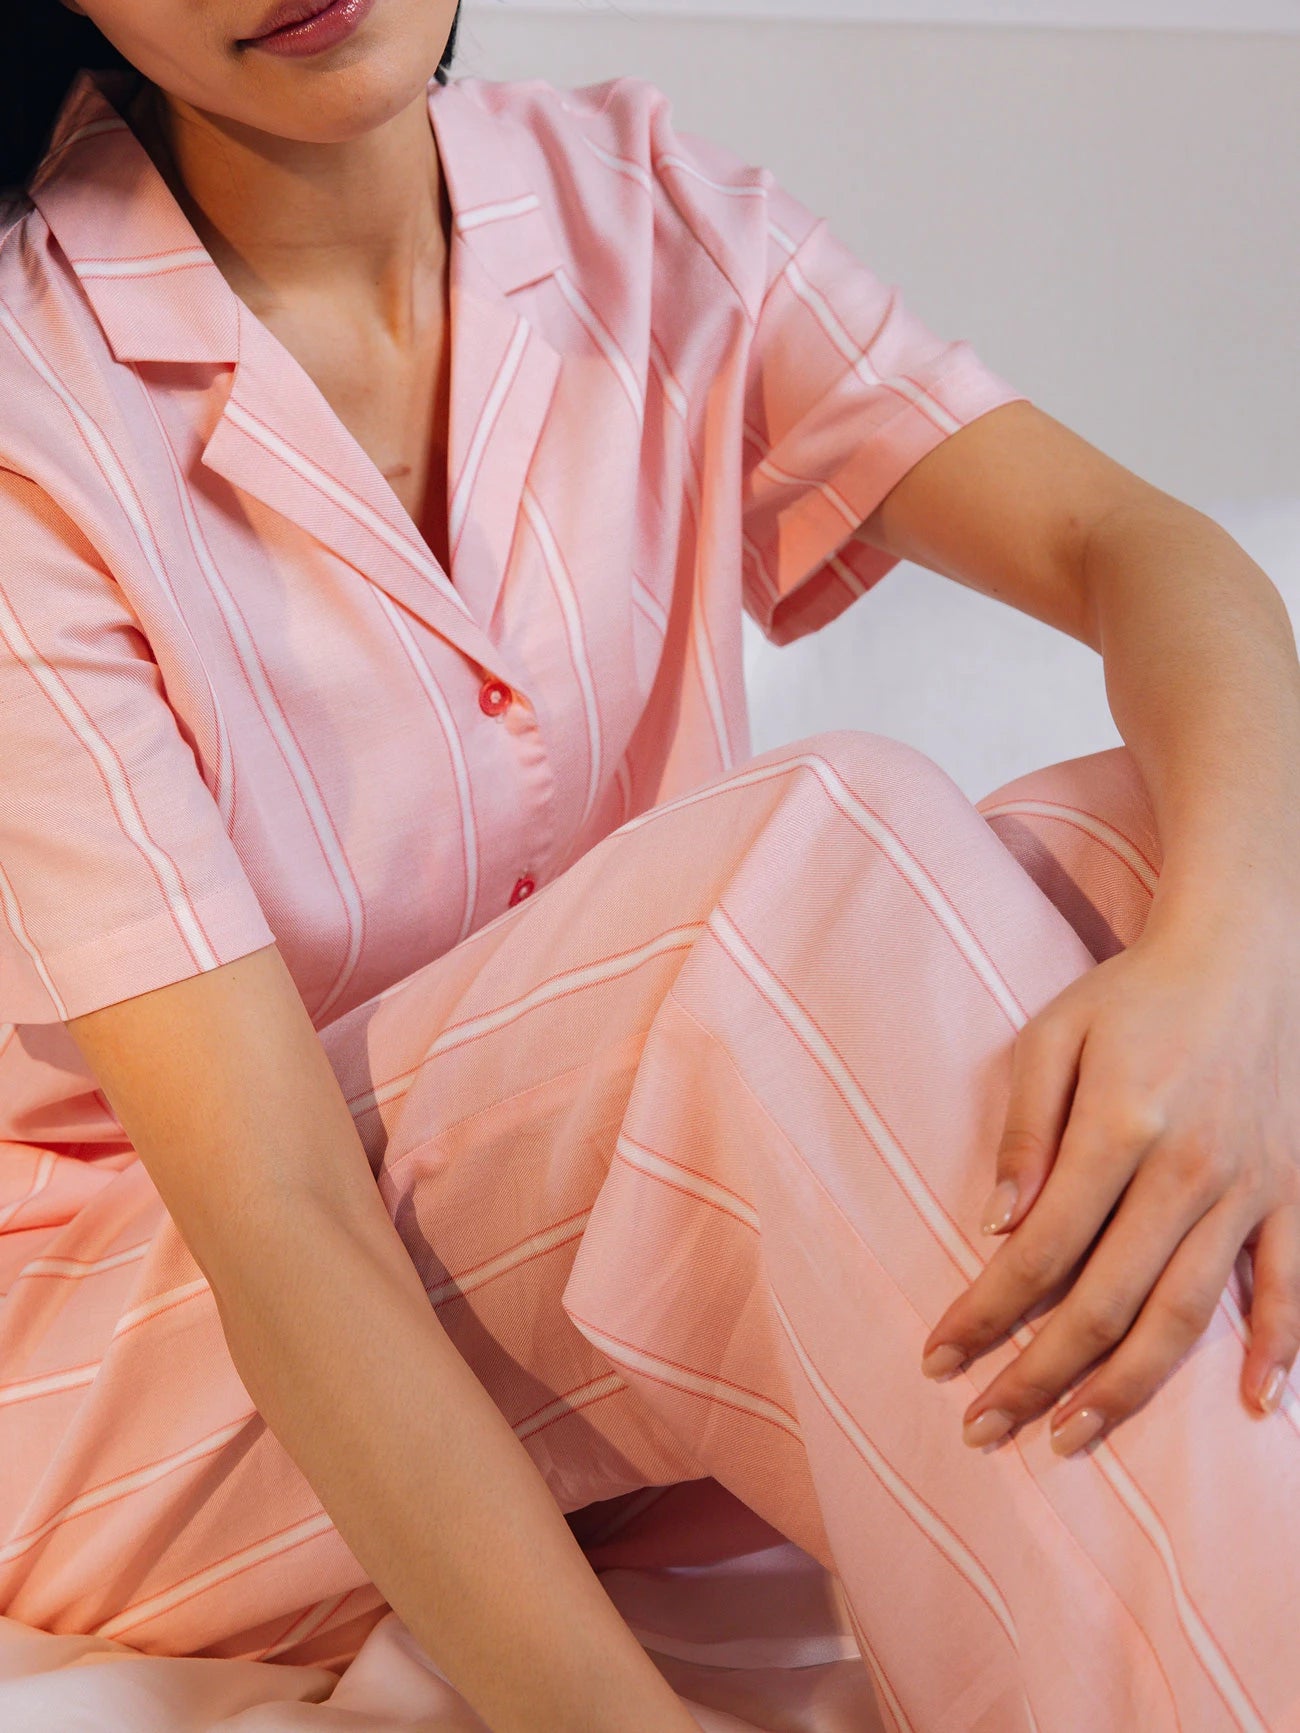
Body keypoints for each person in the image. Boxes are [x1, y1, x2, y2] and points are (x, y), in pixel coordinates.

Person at [0, 2, 1297, 1730]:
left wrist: (1230, 976)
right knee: (803, 875)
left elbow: (1134, 544)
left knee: (1159, 848)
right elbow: (277, 1215)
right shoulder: (30, 416)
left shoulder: (629, 197)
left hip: (585, 1270)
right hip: (150, 1387)